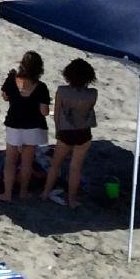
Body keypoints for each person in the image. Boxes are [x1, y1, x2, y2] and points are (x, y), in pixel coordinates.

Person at [41, 58, 98, 207]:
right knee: (75, 168)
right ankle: (72, 200)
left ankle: (45, 193)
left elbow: (57, 114)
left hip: (66, 132)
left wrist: (58, 131)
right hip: (84, 132)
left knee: (55, 165)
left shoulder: (62, 91)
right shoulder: (93, 93)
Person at [0, 51, 51, 202]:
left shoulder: (12, 80)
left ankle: (7, 194)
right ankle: (23, 192)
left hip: (14, 124)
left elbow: (5, 96)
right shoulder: (41, 87)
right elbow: (44, 112)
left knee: (10, 161)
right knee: (27, 162)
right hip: (33, 127)